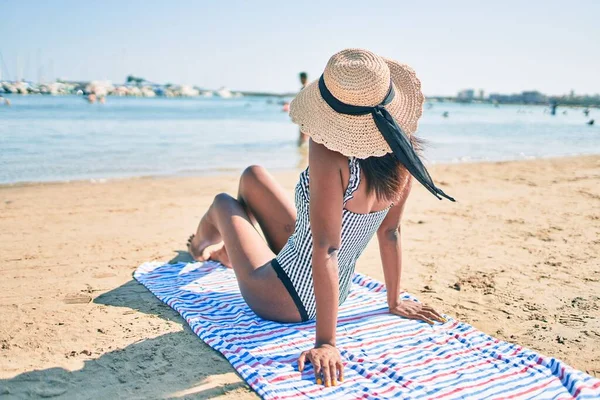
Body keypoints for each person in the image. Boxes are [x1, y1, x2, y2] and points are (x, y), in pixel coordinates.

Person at [187, 49, 452, 387]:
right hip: (336, 292)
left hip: (284, 298)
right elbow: (391, 233)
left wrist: (326, 342)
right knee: (253, 176)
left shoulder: (329, 149)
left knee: (223, 203)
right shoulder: (403, 156)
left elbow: (326, 248)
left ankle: (201, 247)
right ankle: (234, 253)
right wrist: (394, 300)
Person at [297, 72, 310, 146]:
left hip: (305, 115)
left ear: (303, 78)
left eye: (301, 79)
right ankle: (303, 153)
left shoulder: (305, 87)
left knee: (303, 135)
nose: (300, 80)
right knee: (305, 135)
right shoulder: (308, 87)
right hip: (306, 114)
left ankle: (302, 151)